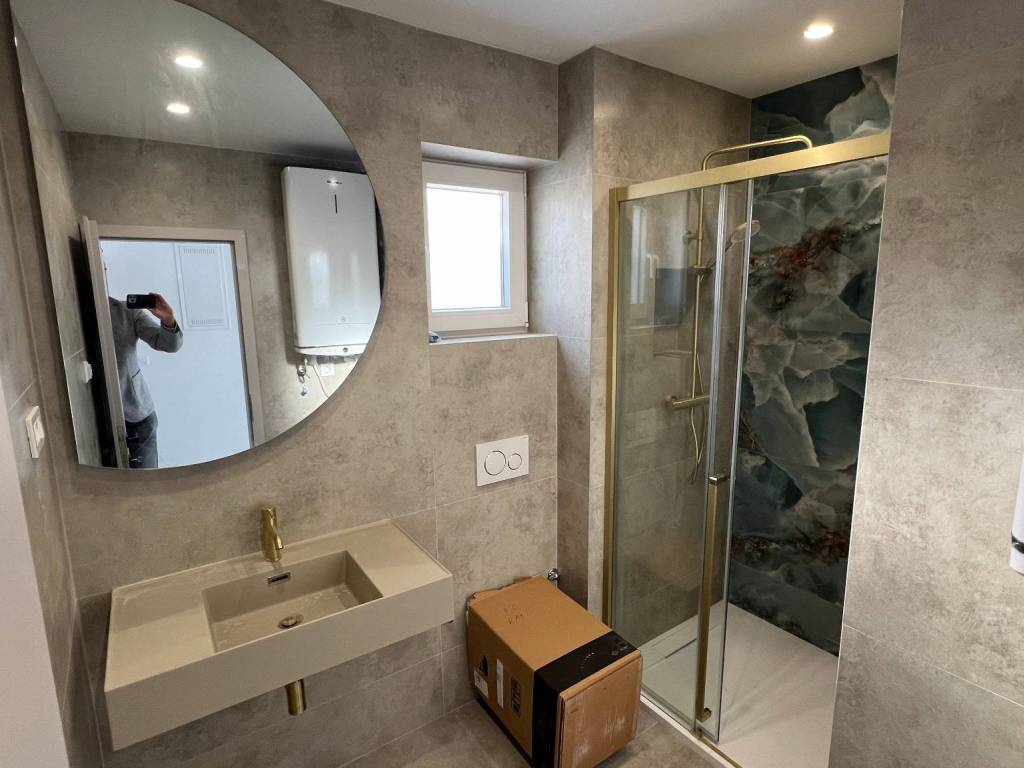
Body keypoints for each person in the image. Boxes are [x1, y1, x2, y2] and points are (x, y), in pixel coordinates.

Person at [109, 293, 183, 468]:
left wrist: (168, 320)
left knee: (147, 480)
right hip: (100, 416)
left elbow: (169, 344)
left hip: (138, 415)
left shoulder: (127, 312)